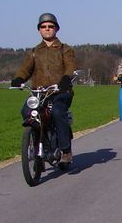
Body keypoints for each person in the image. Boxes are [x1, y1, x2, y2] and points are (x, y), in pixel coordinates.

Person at [11, 13, 76, 163]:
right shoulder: (34, 52)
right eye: (43, 26)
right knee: (26, 110)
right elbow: (25, 69)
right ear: (39, 29)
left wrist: (66, 79)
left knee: (57, 112)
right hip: (39, 92)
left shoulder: (65, 49)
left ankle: (66, 151)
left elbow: (70, 66)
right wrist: (19, 78)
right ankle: (38, 142)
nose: (47, 29)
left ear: (56, 29)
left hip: (60, 91)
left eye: (50, 26)